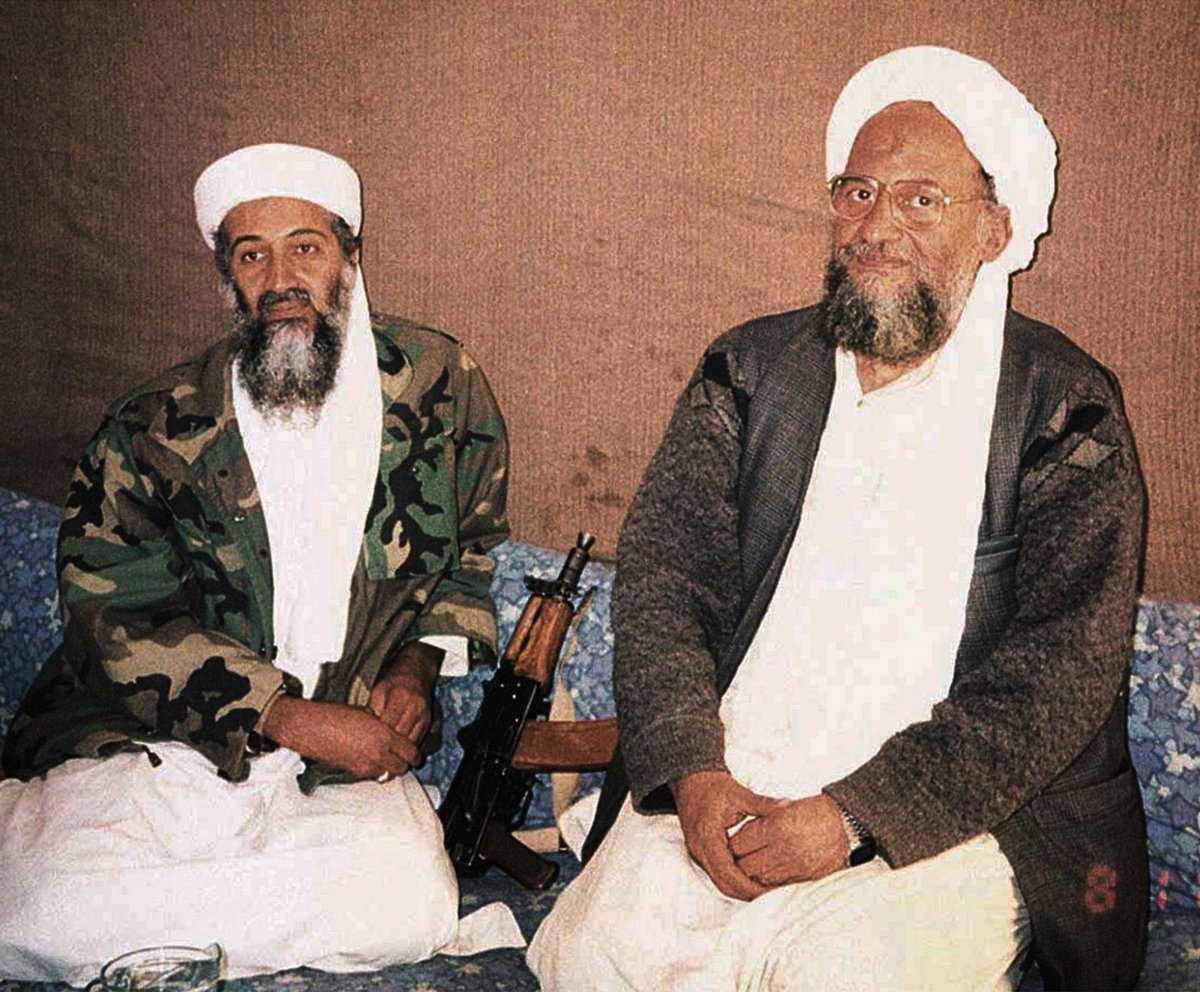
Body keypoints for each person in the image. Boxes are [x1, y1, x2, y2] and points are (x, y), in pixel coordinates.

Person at [529, 46, 1147, 992]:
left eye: (920, 200)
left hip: (958, 815)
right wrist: (693, 773)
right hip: (736, 772)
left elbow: (1060, 673)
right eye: (857, 193)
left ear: (995, 227)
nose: (876, 226)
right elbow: (664, 586)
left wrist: (856, 816)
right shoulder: (747, 371)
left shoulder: (1067, 407)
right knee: (589, 958)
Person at [0, 144, 520, 982]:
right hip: (157, 743)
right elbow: (109, 618)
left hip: (342, 761)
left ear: (351, 257)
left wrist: (419, 664)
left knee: (411, 905)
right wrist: (282, 715)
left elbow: (469, 553)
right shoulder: (151, 425)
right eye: (252, 256)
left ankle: (166, 925)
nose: (280, 279)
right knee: (37, 912)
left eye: (305, 248)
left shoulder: (438, 386)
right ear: (228, 279)